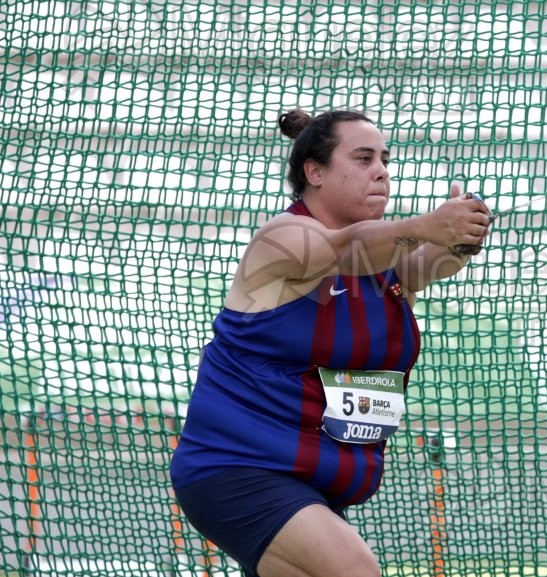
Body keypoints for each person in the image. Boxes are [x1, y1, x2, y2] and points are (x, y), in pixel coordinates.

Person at [169, 108, 491, 577]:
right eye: (362, 158)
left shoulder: (385, 263)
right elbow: (344, 250)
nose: (381, 170)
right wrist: (427, 224)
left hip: (313, 476)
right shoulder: (281, 238)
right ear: (314, 172)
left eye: (383, 158)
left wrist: (462, 235)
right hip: (239, 467)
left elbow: (426, 264)